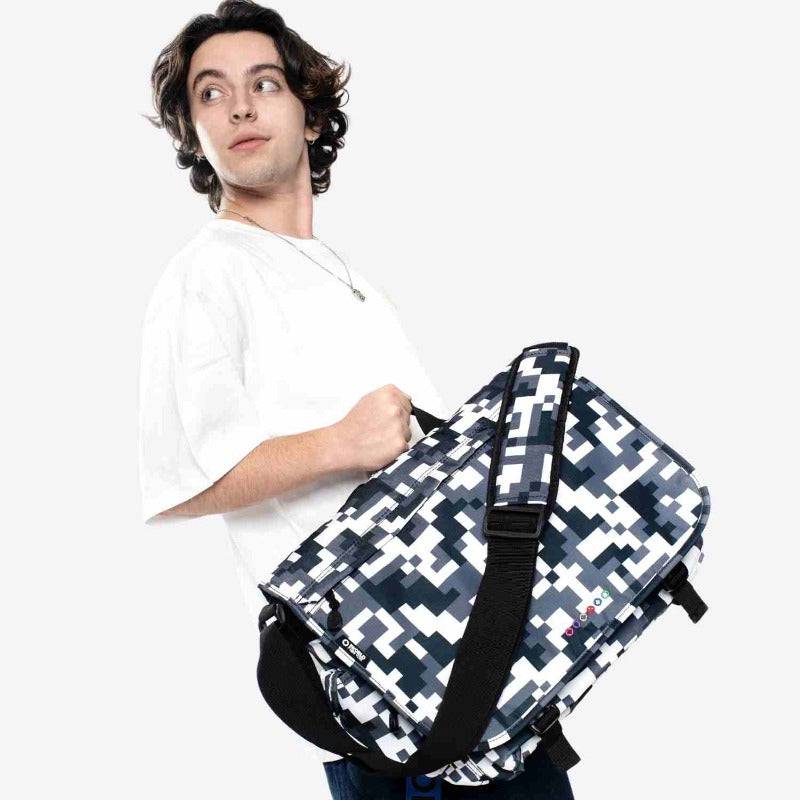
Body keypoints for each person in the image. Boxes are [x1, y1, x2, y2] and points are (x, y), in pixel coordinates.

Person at [138, 3, 575, 798]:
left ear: (310, 114)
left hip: (480, 673)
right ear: (193, 136)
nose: (239, 107)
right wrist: (339, 444)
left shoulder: (345, 274)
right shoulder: (208, 273)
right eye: (210, 93)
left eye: (264, 83)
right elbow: (177, 480)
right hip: (389, 704)